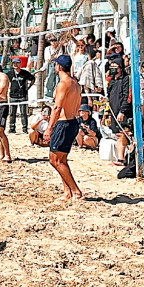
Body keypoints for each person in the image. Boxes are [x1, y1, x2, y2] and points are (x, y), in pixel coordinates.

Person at [44, 55, 83, 201]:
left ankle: (76, 191)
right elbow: (77, 104)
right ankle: (67, 192)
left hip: (64, 123)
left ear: (59, 67)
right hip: (72, 121)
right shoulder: (75, 83)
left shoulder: (63, 84)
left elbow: (57, 107)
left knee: (55, 160)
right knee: (62, 160)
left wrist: (49, 128)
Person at [107, 59, 131, 165]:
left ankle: (124, 158)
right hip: (113, 111)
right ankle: (120, 158)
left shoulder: (126, 79)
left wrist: (122, 111)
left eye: (115, 66)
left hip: (122, 111)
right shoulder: (112, 80)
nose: (112, 68)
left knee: (124, 134)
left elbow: (127, 96)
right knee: (117, 134)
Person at [6, 58, 35, 134]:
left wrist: (28, 87)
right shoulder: (10, 73)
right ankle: (12, 128)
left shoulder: (25, 73)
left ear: (20, 64)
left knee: (23, 113)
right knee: (12, 113)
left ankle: (24, 128)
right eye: (14, 63)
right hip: (13, 96)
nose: (15, 65)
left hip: (22, 95)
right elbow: (6, 81)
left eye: (17, 63)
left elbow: (32, 79)